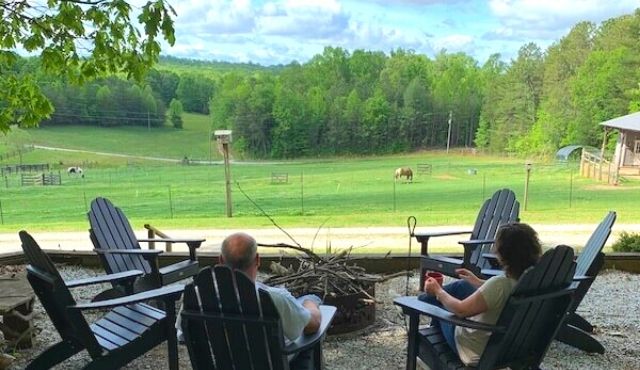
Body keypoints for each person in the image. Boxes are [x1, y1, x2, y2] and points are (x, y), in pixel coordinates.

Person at [177, 232, 322, 369]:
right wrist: (311, 302)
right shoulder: (275, 298)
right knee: (307, 343)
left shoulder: (196, 295)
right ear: (257, 260)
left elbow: (184, 334)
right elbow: (312, 325)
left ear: (221, 260)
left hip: (221, 365)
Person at [418, 222, 542, 366]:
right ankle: (425, 299)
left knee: (440, 305)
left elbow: (460, 310)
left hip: (474, 348)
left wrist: (438, 291)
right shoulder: (534, 280)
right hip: (512, 345)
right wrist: (478, 282)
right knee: (463, 285)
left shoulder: (499, 284)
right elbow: (504, 292)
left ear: (503, 253)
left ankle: (418, 303)